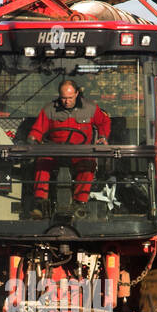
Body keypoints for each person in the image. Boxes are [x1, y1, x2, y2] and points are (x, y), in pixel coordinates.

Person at [27, 79, 110, 218]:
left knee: (89, 165)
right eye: (63, 98)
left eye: (70, 98)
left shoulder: (90, 108)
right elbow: (37, 130)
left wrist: (103, 136)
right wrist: (33, 139)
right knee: (42, 162)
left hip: (80, 152)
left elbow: (104, 122)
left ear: (77, 93)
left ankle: (79, 203)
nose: (66, 101)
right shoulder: (49, 109)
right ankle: (40, 202)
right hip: (55, 151)